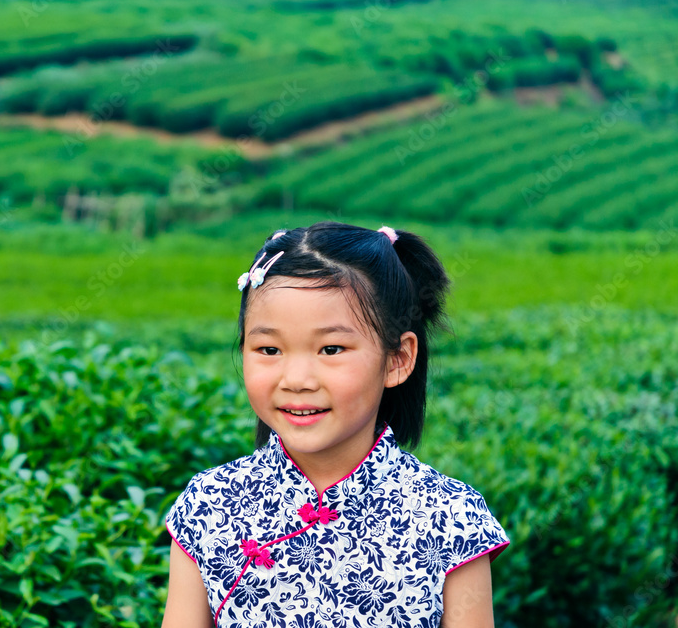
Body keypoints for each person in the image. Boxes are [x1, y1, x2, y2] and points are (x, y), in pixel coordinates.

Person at [161, 221, 510, 628]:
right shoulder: (209, 504)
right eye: (269, 349)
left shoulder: (452, 517)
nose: (296, 379)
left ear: (397, 359)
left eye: (331, 348)